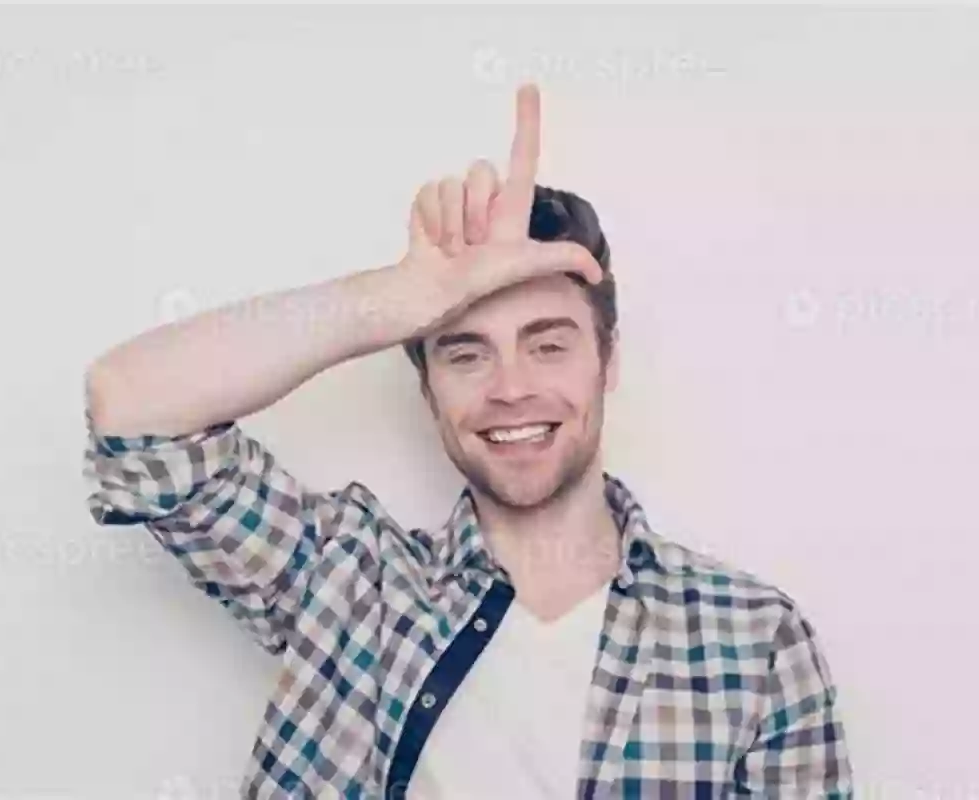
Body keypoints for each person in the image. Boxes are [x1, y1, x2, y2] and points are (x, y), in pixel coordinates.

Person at [83, 83, 853, 799]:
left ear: (608, 363)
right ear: (426, 386)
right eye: (465, 351)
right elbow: (132, 405)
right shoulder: (346, 583)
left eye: (548, 344)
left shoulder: (752, 640)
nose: (510, 386)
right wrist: (400, 299)